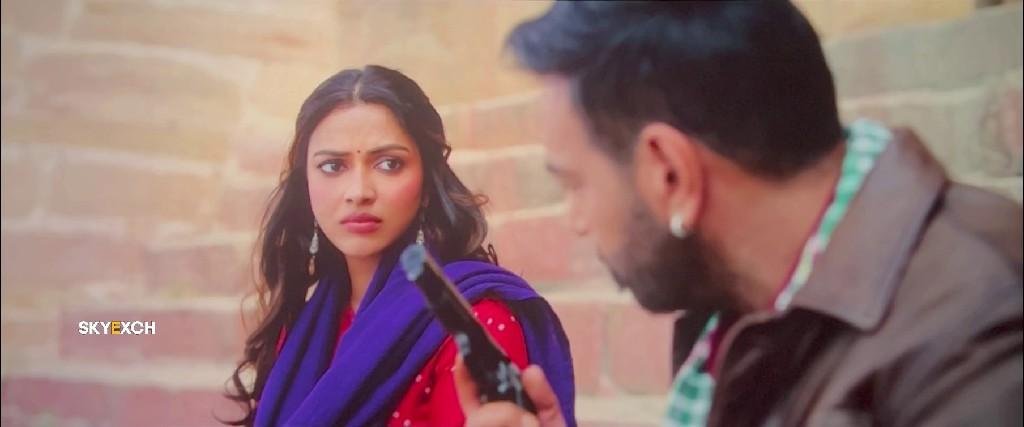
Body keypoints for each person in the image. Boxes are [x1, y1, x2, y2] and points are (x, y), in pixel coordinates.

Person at [454, 2, 1023, 426]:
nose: (576, 220)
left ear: (670, 172)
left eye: (574, 184)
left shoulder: (977, 332)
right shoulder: (732, 307)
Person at [224, 65, 576, 427]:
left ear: (427, 184)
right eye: (332, 166)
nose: (359, 192)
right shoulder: (304, 327)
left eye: (389, 163)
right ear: (305, 186)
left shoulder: (473, 325)